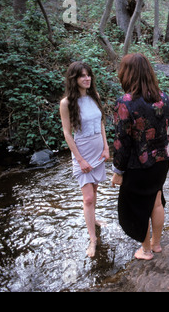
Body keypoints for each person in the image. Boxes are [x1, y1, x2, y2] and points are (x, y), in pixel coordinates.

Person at [111, 53, 169, 261]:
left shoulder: (125, 102)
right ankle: (156, 244)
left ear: (127, 74)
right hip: (161, 161)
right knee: (156, 202)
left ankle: (145, 250)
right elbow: (168, 130)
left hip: (138, 166)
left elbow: (122, 141)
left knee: (138, 208)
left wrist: (118, 171)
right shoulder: (163, 98)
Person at [60, 62, 110, 258]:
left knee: (95, 190)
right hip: (82, 151)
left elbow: (101, 123)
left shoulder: (94, 96)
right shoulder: (66, 103)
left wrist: (106, 147)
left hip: (98, 149)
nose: (87, 79)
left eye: (88, 75)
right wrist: (79, 160)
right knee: (88, 198)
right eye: (82, 76)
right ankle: (93, 239)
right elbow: (67, 133)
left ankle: (94, 219)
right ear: (74, 79)